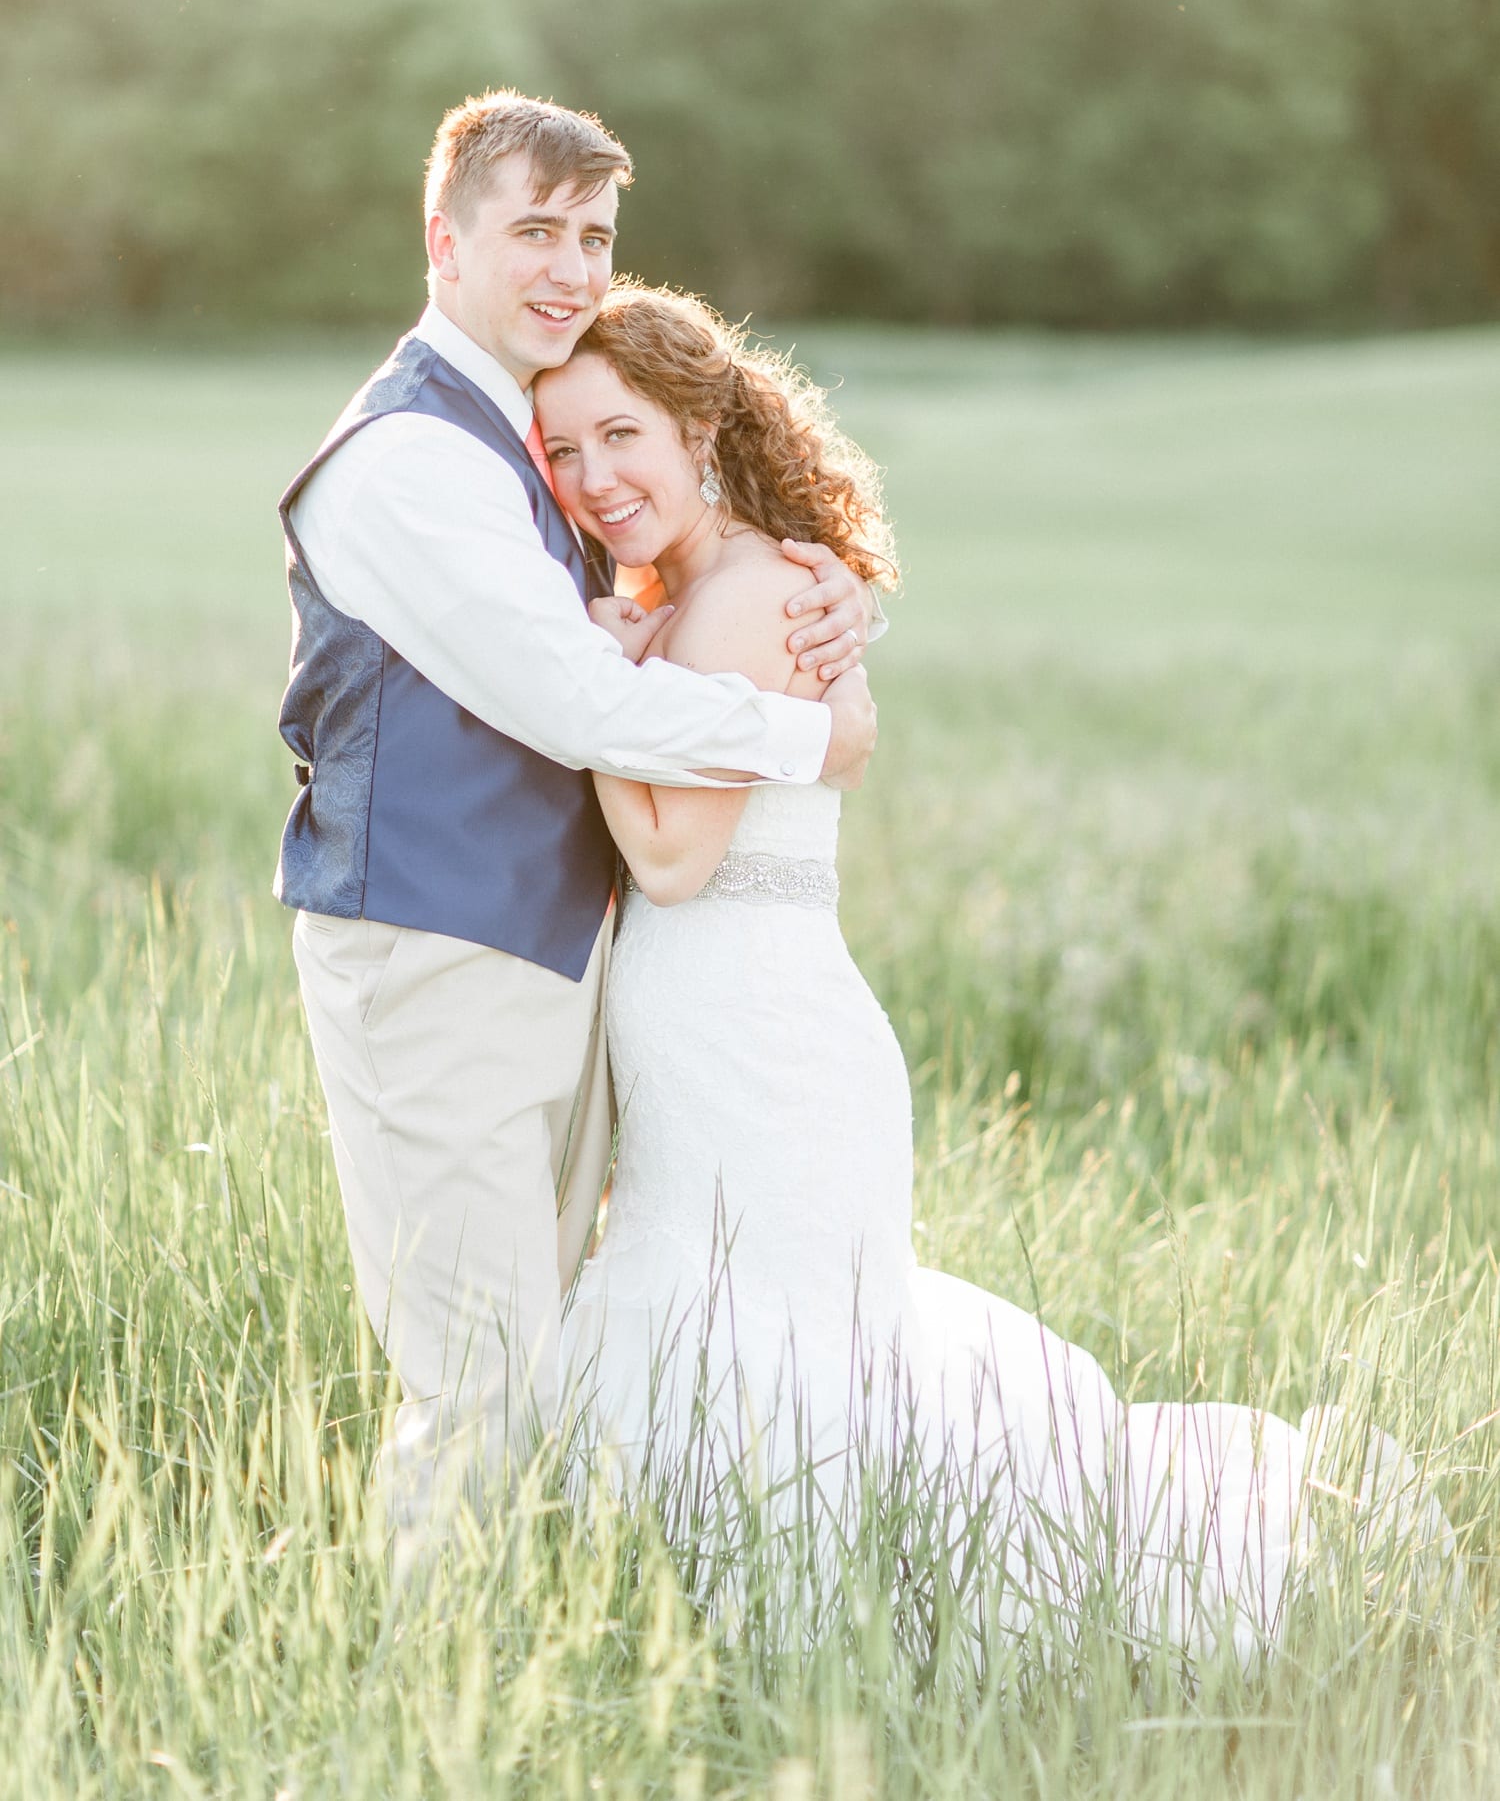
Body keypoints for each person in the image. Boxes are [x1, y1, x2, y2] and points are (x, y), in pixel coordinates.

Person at [534, 285, 1458, 1667]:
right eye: (562, 451)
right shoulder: (714, 590)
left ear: (700, 425)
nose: (594, 476)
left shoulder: (734, 598)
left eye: (621, 435)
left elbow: (671, 858)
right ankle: (738, 1628)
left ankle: (818, 1637)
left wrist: (589, 686)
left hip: (761, 1043)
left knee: (776, 1350)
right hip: (738, 1034)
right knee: (749, 1338)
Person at [273, 90, 879, 1575]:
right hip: (432, 961)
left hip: (547, 967)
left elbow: (642, 619)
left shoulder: (518, 442)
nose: (567, 264)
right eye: (533, 228)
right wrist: (819, 726)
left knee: (527, 1377)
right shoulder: (407, 461)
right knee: (474, 1390)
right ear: (445, 238)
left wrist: (827, 611)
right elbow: (575, 698)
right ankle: (428, 1710)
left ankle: (507, 1665)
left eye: (594, 236)